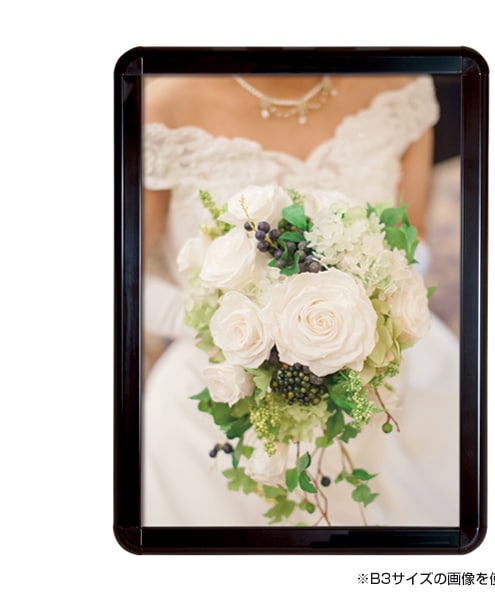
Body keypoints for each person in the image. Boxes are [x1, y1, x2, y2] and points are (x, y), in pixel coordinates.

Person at [142, 74, 460, 526]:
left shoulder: (399, 84)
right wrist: (240, 332)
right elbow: (125, 280)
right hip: (219, 381)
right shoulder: (165, 105)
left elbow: (414, 238)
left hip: (381, 375)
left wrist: (374, 298)